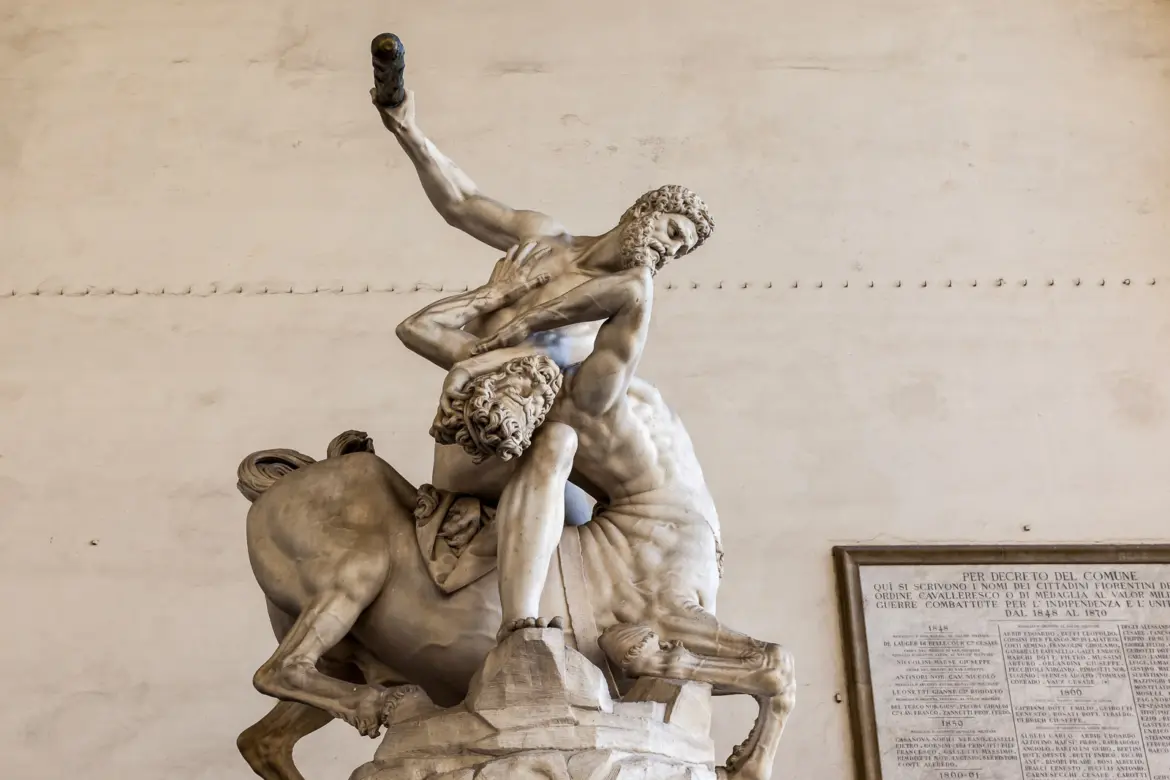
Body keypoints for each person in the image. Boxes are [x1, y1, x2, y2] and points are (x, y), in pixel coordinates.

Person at [375, 88, 715, 525]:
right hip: (471, 431)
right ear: (643, 212)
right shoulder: (544, 238)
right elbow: (462, 203)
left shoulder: (614, 309)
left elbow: (602, 395)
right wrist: (407, 129)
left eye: (681, 250)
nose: (670, 250)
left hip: (527, 440)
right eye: (672, 232)